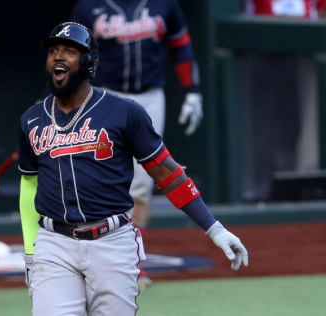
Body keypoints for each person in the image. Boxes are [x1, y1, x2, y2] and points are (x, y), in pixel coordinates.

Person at [15, 22, 248, 316]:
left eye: (70, 51)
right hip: (54, 245)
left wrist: (214, 229)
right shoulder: (32, 120)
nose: (58, 57)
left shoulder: (124, 112)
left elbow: (168, 174)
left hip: (111, 243)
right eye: (53, 51)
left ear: (88, 64)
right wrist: (30, 251)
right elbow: (29, 186)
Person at [70, 0, 204, 285]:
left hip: (149, 97)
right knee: (97, 178)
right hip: (104, 96)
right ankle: (91, 259)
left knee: (141, 184)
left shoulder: (164, 4)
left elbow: (181, 46)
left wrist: (192, 92)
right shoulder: (89, 6)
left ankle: (131, 261)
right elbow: (74, 55)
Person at [240, 0, 326, 201]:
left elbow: (321, 8)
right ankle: (257, 190)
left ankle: (288, 189)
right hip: (257, 47)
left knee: (292, 124)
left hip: (303, 48)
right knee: (258, 124)